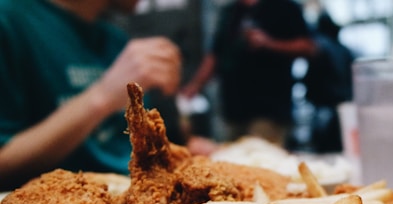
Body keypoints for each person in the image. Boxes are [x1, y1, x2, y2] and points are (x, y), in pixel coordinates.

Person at [0, 0, 182, 191]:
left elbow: (128, 148)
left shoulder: (115, 39)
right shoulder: (10, 21)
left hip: (136, 198)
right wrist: (102, 96)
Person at [180, 0, 315, 148]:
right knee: (232, 162)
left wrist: (268, 43)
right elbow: (215, 55)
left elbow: (308, 47)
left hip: (269, 109)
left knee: (261, 162)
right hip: (233, 109)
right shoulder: (230, 12)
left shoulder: (284, 7)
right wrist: (195, 86)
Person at [304, 12, 354, 153]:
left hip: (324, 108)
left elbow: (311, 78)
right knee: (342, 149)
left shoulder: (320, 48)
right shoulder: (345, 50)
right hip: (344, 107)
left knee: (323, 150)